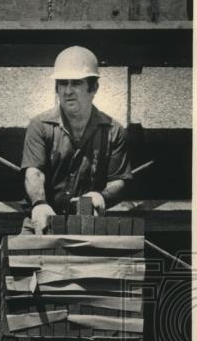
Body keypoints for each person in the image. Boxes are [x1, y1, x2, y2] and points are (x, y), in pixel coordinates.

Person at [20, 46, 132, 234]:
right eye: (63, 83)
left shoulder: (113, 131)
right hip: (43, 221)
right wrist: (39, 204)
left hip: (90, 226)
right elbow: (34, 173)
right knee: (20, 259)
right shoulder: (40, 125)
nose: (68, 91)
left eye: (76, 83)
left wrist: (101, 196)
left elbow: (119, 181)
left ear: (94, 87)